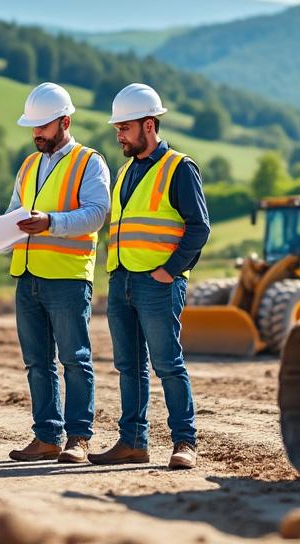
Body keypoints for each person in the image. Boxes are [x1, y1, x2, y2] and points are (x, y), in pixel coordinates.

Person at [90, 83, 209, 470]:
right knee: (129, 366)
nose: (119, 135)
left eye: (124, 128)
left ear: (148, 124)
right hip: (122, 279)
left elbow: (199, 227)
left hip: (157, 283)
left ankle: (184, 442)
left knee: (167, 363)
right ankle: (133, 442)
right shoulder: (125, 169)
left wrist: (170, 271)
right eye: (117, 129)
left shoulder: (180, 167)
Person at [6, 82, 110, 464]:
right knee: (37, 361)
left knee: (74, 359)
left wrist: (51, 221)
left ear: (64, 122)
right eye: (32, 127)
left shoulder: (90, 161)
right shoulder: (29, 164)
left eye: (43, 127)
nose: (36, 134)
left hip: (67, 276)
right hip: (28, 273)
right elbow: (15, 214)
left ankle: (79, 438)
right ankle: (47, 436)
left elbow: (97, 212)